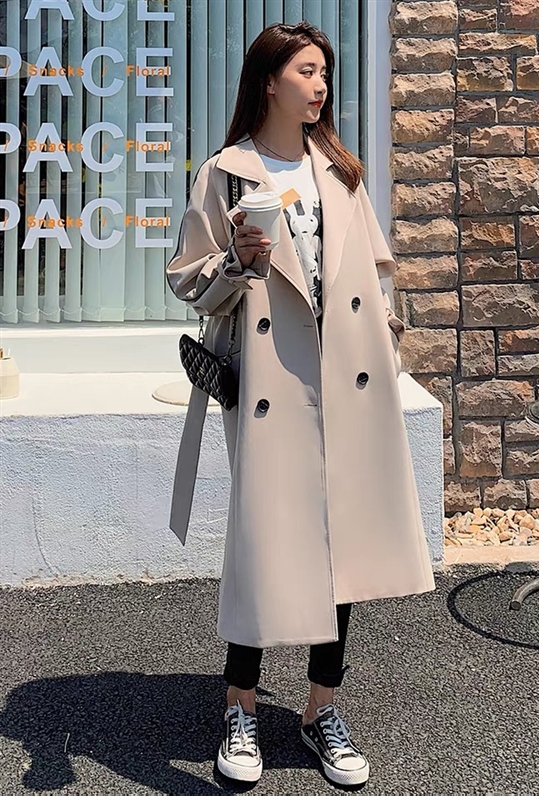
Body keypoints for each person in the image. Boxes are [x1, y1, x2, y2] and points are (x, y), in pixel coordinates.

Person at [166, 21, 435, 788]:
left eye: (324, 72)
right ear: (269, 81)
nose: (320, 85)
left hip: (348, 382)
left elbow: (367, 276)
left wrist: (387, 339)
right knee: (264, 543)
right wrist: (234, 261)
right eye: (306, 72)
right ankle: (241, 707)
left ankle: (321, 709)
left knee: (342, 547)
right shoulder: (227, 173)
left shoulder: (341, 172)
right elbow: (187, 281)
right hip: (272, 384)